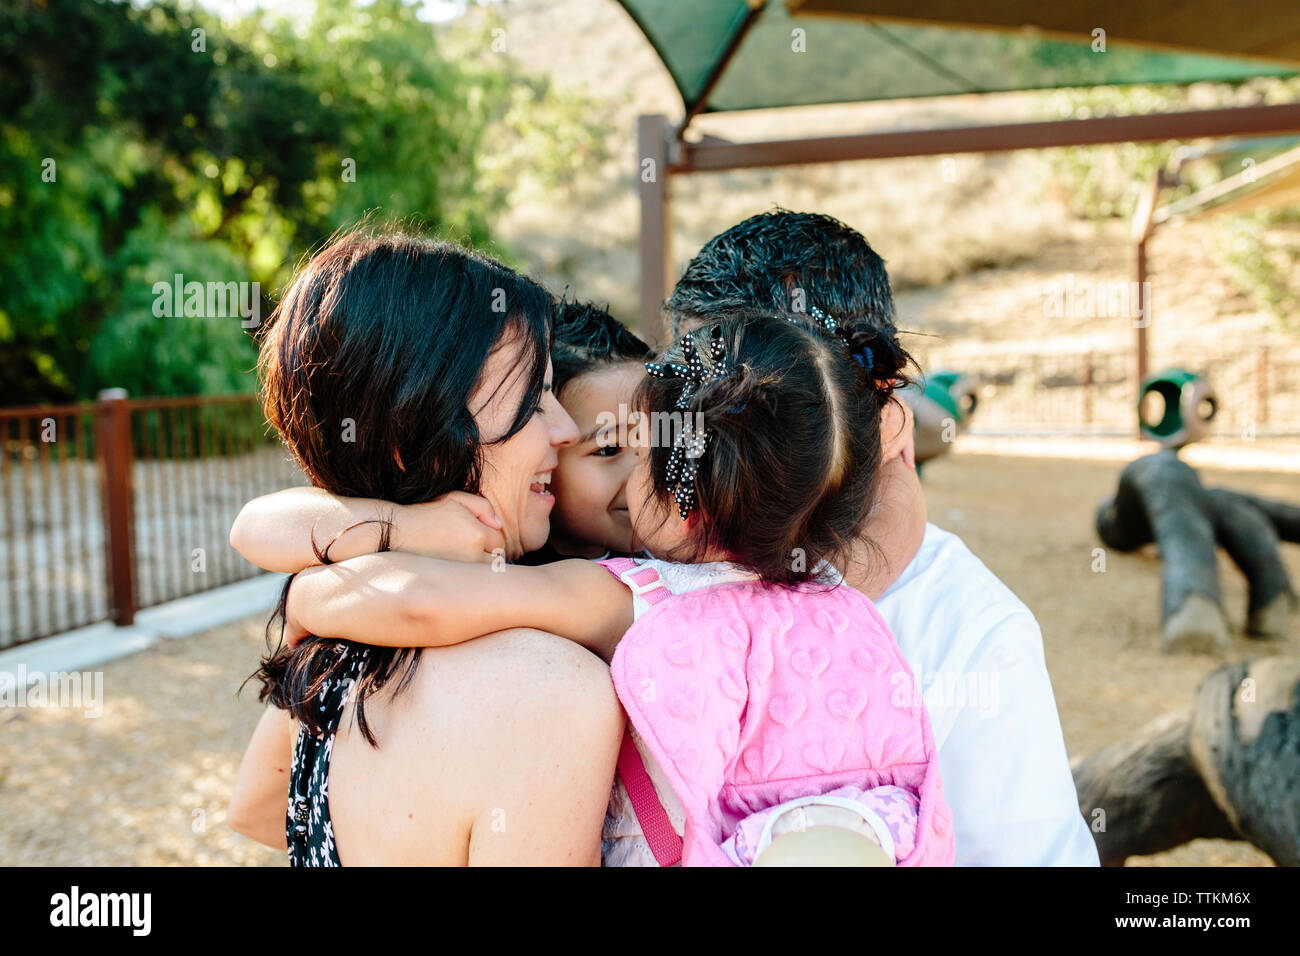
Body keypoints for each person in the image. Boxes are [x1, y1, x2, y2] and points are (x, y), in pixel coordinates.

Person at [277, 310, 954, 866]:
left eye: (643, 453)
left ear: (676, 496)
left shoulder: (639, 599)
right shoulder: (839, 593)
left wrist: (307, 600)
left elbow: (419, 603)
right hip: (880, 834)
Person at [665, 209, 1099, 866]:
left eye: (753, 406)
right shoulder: (658, 541)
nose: (711, 438)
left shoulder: (971, 632)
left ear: (870, 403)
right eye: (691, 393)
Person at [225, 228, 623, 866]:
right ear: (422, 426)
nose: (564, 429)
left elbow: (258, 808)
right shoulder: (553, 691)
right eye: (532, 396)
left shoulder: (336, 651)